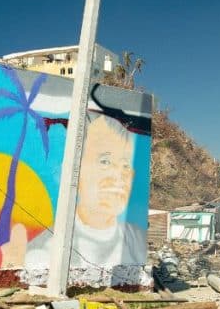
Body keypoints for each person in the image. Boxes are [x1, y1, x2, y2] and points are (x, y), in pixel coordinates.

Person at [22, 111, 146, 269]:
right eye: (105, 161)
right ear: (74, 169)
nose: (118, 176)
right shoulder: (43, 252)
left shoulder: (136, 240)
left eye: (126, 165)